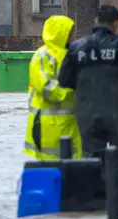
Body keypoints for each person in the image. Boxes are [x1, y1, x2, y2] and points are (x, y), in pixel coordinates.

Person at [57, 5, 118, 178]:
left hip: (88, 113)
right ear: (116, 23)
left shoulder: (77, 48)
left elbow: (64, 80)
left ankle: (94, 197)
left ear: (96, 19)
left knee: (91, 161)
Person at [24, 15, 81, 160]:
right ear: (59, 33)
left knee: (73, 168)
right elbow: (46, 88)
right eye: (68, 32)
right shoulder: (42, 56)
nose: (71, 36)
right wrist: (73, 89)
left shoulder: (71, 54)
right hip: (47, 125)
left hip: (70, 123)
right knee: (51, 168)